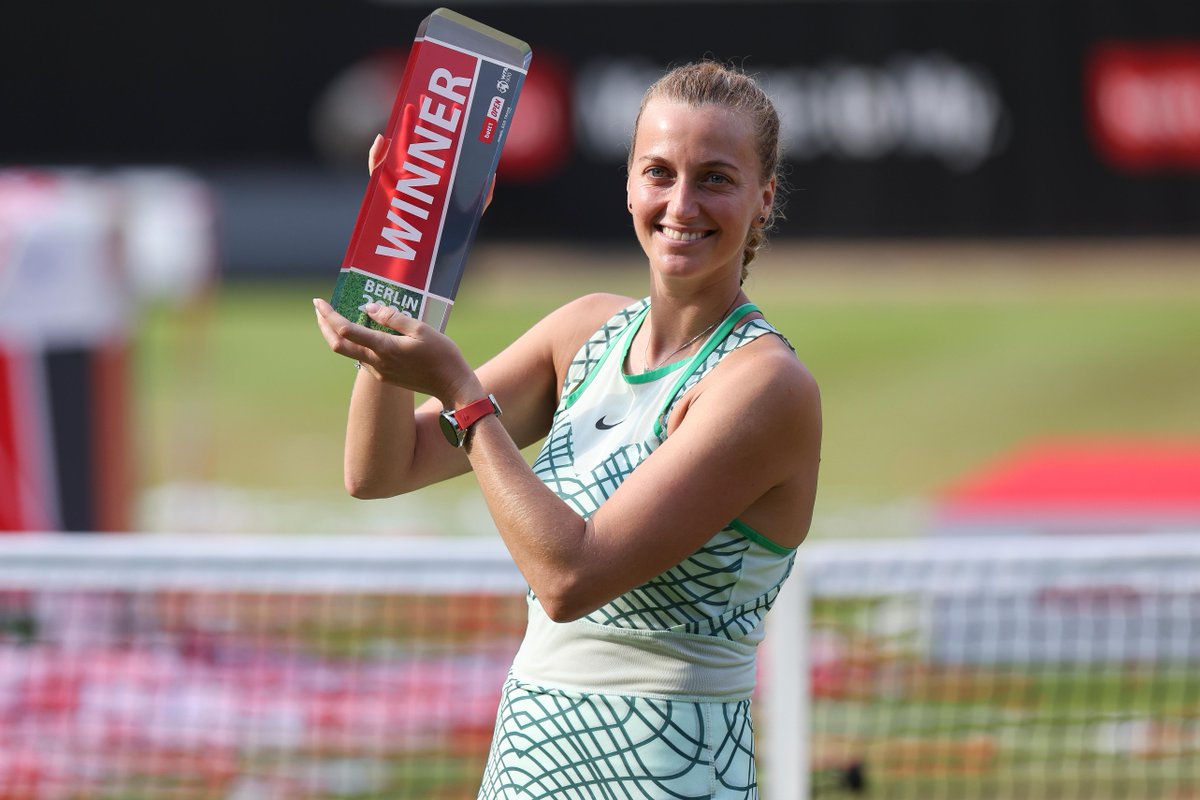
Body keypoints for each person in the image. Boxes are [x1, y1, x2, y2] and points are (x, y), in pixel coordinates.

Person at [314, 59, 821, 799]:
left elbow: (569, 577)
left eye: (715, 177)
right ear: (627, 184)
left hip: (670, 775)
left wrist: (462, 391)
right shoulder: (584, 330)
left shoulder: (764, 386)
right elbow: (381, 468)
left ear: (763, 198)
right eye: (659, 171)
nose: (681, 203)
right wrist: (411, 260)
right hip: (530, 764)